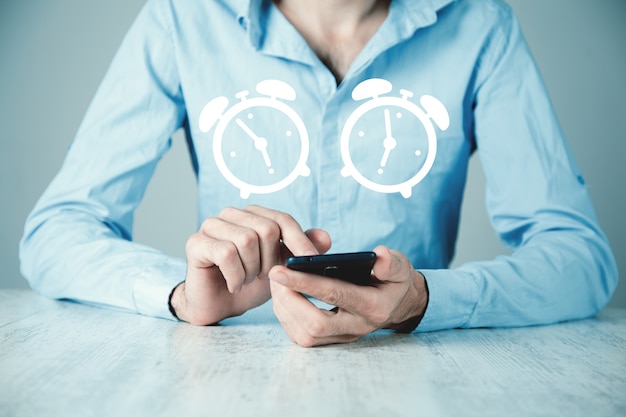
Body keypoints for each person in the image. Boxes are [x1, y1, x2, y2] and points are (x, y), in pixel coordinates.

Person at [20, 0, 618, 347]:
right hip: (226, 382)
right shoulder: (183, 18)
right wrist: (182, 297)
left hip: (416, 380)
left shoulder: (480, 23)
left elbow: (579, 258)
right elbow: (57, 232)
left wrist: (426, 300)